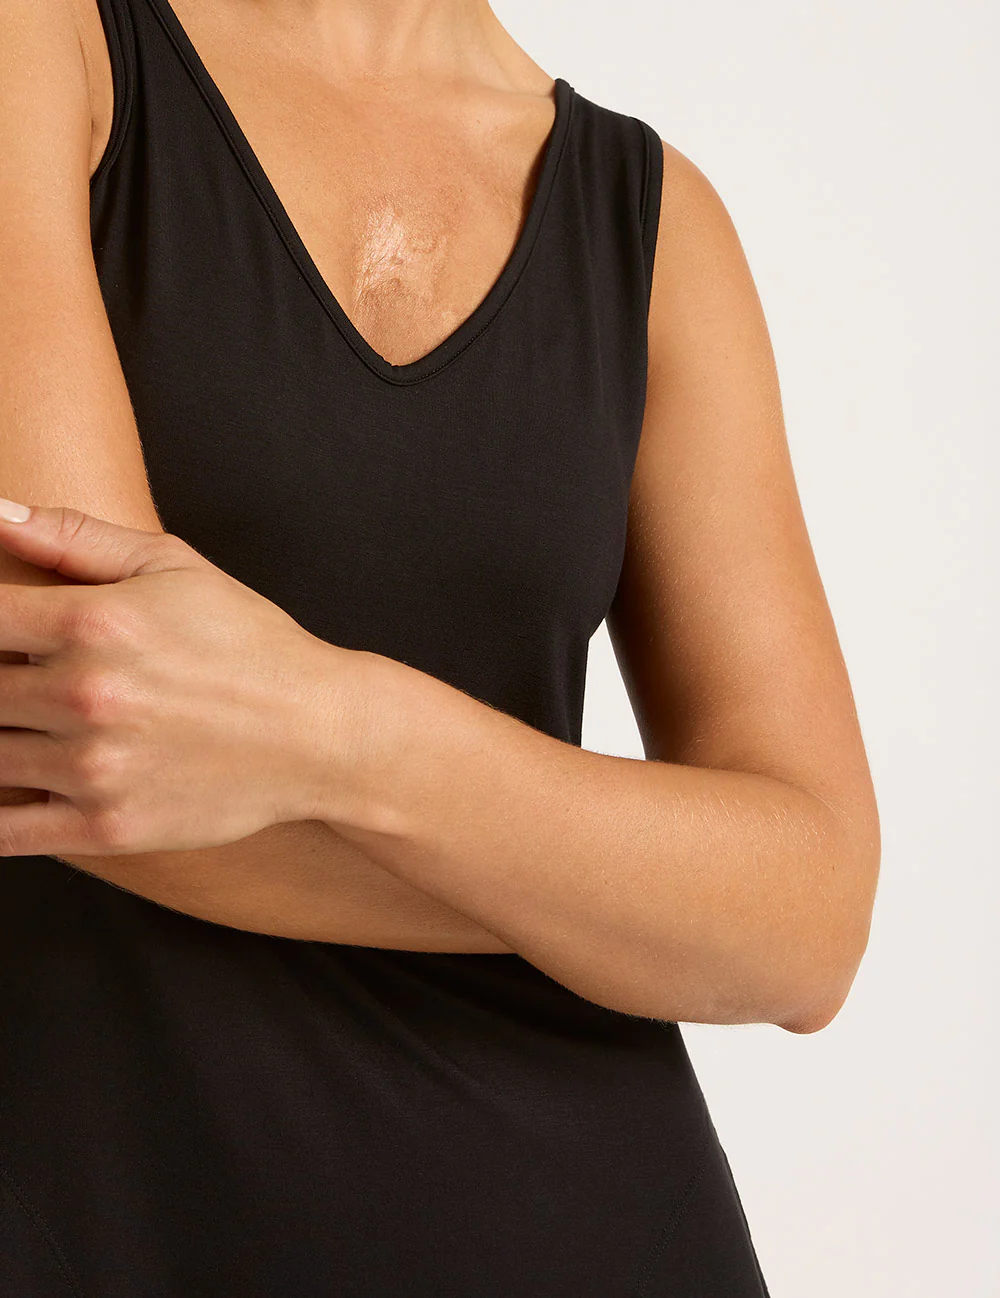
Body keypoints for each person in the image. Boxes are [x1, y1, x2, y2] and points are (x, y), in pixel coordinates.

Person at [0, 0, 881, 1292]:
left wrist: (344, 734)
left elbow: (810, 925)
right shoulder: (44, 41)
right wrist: (641, 897)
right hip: (132, 1216)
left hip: (601, 1230)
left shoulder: (655, 223)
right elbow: (70, 716)